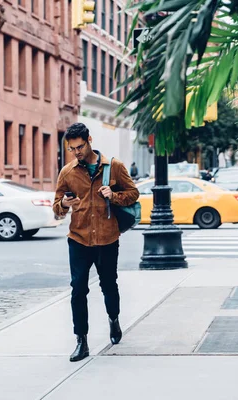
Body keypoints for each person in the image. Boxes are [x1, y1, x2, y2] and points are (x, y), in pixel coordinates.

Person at [53, 123, 140, 362]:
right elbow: (56, 208)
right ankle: (81, 340)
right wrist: (64, 205)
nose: (77, 152)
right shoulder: (67, 172)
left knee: (109, 285)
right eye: (72, 149)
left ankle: (114, 319)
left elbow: (133, 193)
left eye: (80, 146)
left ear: (89, 140)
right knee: (78, 289)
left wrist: (114, 195)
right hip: (78, 239)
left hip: (107, 238)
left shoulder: (114, 167)